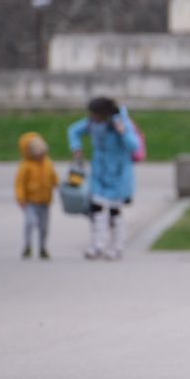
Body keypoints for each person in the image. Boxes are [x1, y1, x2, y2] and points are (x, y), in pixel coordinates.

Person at [68, 97, 141, 260]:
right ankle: (97, 245)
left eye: (96, 114)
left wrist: (123, 132)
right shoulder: (92, 123)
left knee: (115, 212)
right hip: (99, 173)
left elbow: (135, 146)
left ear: (105, 113)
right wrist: (77, 148)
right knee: (95, 209)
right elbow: (73, 130)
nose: (93, 117)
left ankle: (117, 247)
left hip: (119, 175)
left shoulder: (121, 122)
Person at [16, 132, 59, 260]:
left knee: (44, 227)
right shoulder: (26, 166)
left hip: (45, 201)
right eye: (38, 152)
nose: (41, 155)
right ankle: (27, 245)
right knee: (30, 222)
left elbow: (54, 178)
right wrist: (21, 198)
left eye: (43, 152)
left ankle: (42, 247)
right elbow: (19, 184)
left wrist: (60, 186)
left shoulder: (48, 163)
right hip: (30, 202)